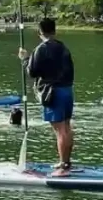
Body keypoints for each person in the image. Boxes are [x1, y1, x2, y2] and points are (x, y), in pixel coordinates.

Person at [18, 18, 75, 175]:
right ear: (55, 31)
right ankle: (66, 163)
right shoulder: (63, 47)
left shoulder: (41, 49)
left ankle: (64, 168)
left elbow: (32, 72)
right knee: (66, 127)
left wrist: (24, 59)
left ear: (39, 32)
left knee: (60, 130)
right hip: (67, 90)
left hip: (53, 93)